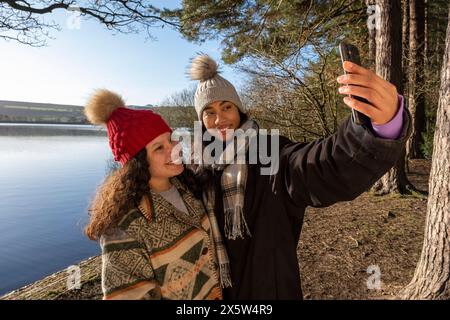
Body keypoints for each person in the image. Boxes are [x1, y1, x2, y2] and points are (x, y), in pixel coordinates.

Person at [187, 54, 412, 299]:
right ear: (200, 121)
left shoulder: (271, 154)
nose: (220, 120)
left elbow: (320, 164)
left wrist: (376, 129)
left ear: (240, 111)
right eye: (209, 112)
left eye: (226, 107)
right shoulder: (194, 169)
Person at [84, 89, 226, 300]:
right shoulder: (125, 227)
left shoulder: (189, 187)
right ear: (138, 162)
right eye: (159, 148)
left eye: (171, 139)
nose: (174, 149)